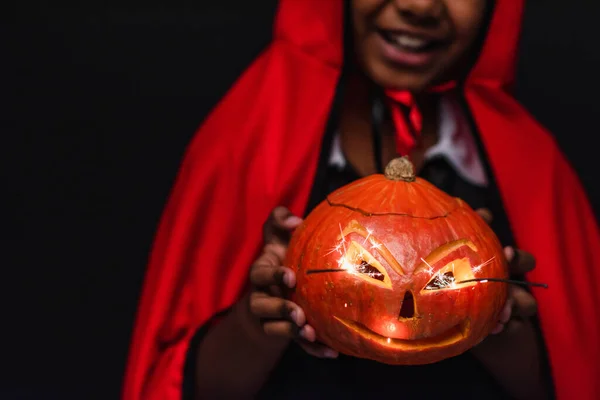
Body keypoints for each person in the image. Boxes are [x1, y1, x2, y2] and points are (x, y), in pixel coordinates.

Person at [122, 1, 600, 399]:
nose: (420, 5)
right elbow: (185, 387)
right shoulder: (245, 143)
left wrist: (498, 321)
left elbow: (572, 378)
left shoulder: (533, 164)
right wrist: (260, 316)